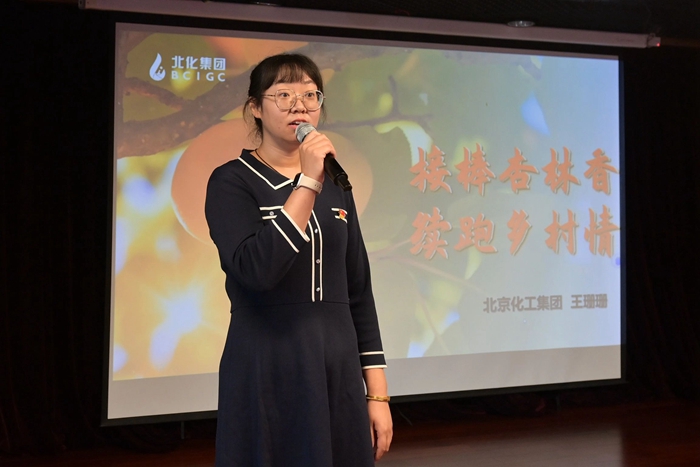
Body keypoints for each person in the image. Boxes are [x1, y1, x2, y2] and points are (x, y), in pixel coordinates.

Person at [205, 53, 393, 466]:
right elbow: (256, 270)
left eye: (310, 95)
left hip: (337, 370)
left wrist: (377, 395)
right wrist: (307, 181)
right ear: (255, 107)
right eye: (284, 95)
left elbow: (359, 292)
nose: (299, 106)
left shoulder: (336, 183)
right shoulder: (231, 181)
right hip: (266, 367)